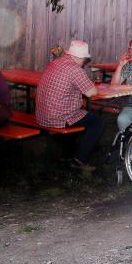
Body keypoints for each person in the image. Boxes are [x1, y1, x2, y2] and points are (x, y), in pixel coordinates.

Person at [35, 40, 104, 171]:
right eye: (85, 59)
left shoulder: (55, 62)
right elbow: (92, 92)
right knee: (97, 122)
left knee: (79, 112)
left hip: (42, 115)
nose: (85, 61)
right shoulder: (75, 69)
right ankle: (79, 160)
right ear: (80, 57)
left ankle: (68, 153)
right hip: (58, 117)